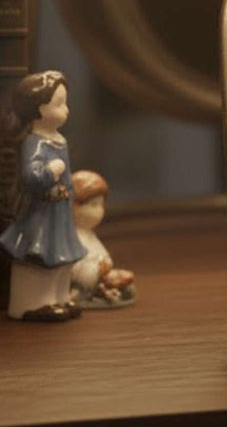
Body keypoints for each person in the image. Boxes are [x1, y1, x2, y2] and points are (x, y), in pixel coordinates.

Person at [0, 71, 86, 321]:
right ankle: (32, 303)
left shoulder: (59, 140)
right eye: (59, 104)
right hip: (41, 215)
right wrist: (50, 171)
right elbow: (31, 177)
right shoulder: (35, 142)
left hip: (60, 213)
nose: (66, 110)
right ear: (37, 109)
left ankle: (60, 297)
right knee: (40, 257)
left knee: (63, 255)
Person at [70, 170, 135, 307]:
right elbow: (75, 269)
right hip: (89, 280)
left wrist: (106, 264)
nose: (99, 211)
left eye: (101, 205)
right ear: (73, 207)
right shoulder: (73, 237)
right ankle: (87, 293)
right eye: (93, 205)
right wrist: (98, 271)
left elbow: (100, 254)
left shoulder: (89, 234)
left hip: (100, 276)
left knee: (126, 276)